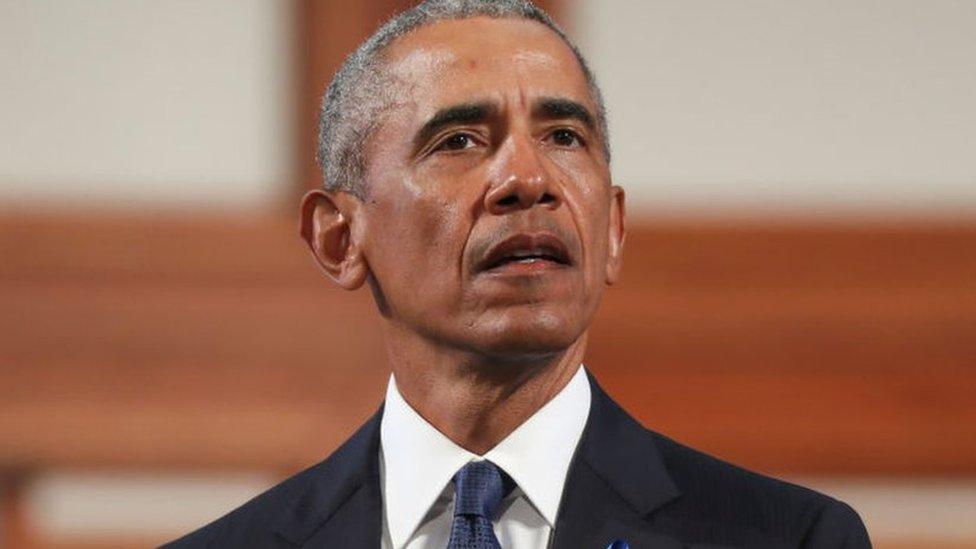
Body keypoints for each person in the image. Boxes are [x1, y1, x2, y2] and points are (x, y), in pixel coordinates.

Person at [164, 1, 871, 547]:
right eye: (460, 140)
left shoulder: (791, 539)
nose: (528, 180)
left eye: (564, 137)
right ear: (340, 237)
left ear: (613, 229)